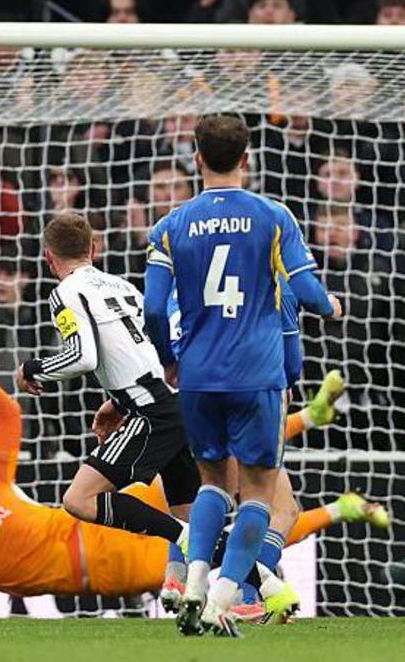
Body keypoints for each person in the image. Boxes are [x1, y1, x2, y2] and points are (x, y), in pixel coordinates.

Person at [0, 333, 382, 602]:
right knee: (216, 545)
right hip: (107, 569)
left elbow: (8, 414)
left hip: (111, 519)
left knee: (210, 462)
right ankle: (336, 509)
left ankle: (307, 416)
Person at [144, 114, 341, 636]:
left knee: (211, 483)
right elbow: (306, 293)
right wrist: (333, 305)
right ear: (248, 158)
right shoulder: (273, 216)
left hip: (198, 375)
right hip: (255, 373)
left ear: (197, 158)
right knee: (258, 492)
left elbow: (155, 310)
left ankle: (194, 580)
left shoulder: (170, 226)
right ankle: (223, 598)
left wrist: (170, 359)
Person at [15, 214, 197, 589]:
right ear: (93, 249)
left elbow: (83, 357)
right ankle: (247, 591)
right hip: (176, 402)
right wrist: (117, 402)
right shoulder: (125, 287)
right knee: (190, 515)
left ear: (48, 257)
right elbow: (147, 352)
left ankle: (189, 544)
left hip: (153, 411)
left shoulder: (64, 293)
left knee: (80, 499)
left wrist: (33, 369)